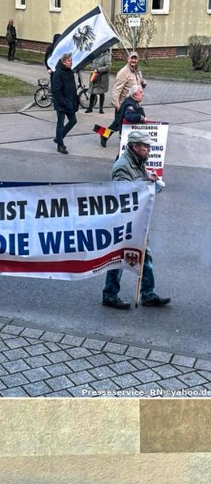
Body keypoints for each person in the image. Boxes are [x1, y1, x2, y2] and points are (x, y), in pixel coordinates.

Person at [101, 130, 170, 310]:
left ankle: (147, 294)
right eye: (145, 146)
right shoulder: (122, 166)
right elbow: (124, 195)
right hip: (123, 221)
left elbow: (138, 184)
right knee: (118, 258)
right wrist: (144, 184)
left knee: (144, 255)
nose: (149, 149)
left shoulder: (138, 161)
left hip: (136, 220)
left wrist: (148, 179)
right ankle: (110, 294)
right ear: (134, 147)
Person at [51, 53, 79, 154]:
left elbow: (72, 88)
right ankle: (60, 145)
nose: (71, 62)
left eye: (71, 61)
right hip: (62, 103)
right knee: (60, 123)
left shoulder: (70, 72)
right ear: (63, 62)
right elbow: (56, 90)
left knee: (73, 121)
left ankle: (59, 137)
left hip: (70, 102)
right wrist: (63, 102)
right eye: (69, 61)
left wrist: (75, 100)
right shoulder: (58, 73)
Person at [86, 48, 111, 113]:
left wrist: (98, 69)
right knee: (92, 93)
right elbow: (93, 64)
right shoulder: (96, 55)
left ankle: (101, 109)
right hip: (94, 77)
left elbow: (108, 67)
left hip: (101, 79)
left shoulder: (106, 56)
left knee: (101, 93)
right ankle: (90, 108)